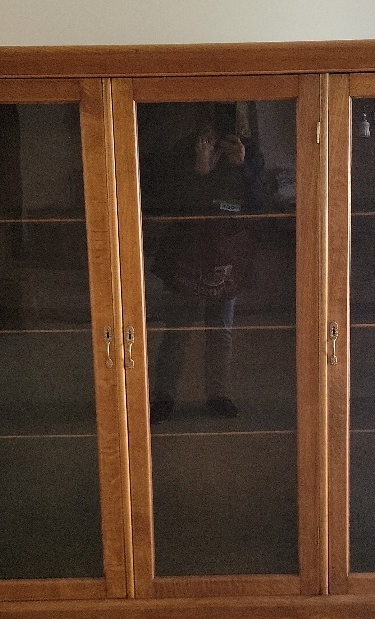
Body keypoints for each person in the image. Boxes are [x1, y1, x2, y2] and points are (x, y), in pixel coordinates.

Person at [142, 105, 266, 424]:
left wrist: (242, 166)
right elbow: (168, 200)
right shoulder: (188, 147)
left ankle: (218, 395)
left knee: (220, 328)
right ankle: (163, 397)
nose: (221, 127)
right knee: (178, 329)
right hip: (189, 247)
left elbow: (259, 201)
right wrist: (199, 169)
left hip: (229, 249)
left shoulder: (249, 150)